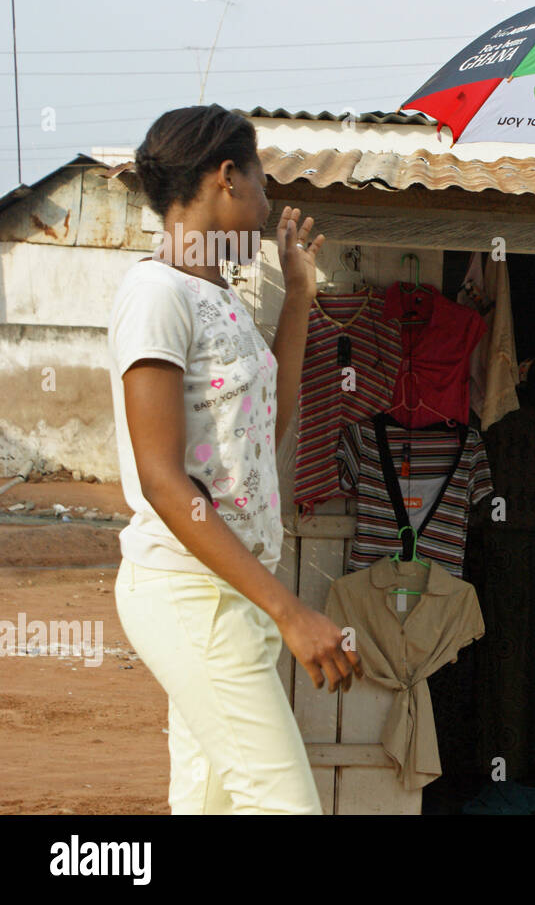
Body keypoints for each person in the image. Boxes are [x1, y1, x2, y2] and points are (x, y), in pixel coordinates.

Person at [109, 105, 362, 814]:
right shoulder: (156, 294)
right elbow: (163, 479)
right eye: (262, 183)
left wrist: (299, 297)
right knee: (285, 806)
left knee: (210, 806)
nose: (268, 204)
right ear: (227, 178)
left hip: (231, 592)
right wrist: (292, 612)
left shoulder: (218, 294)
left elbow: (268, 423)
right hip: (191, 592)